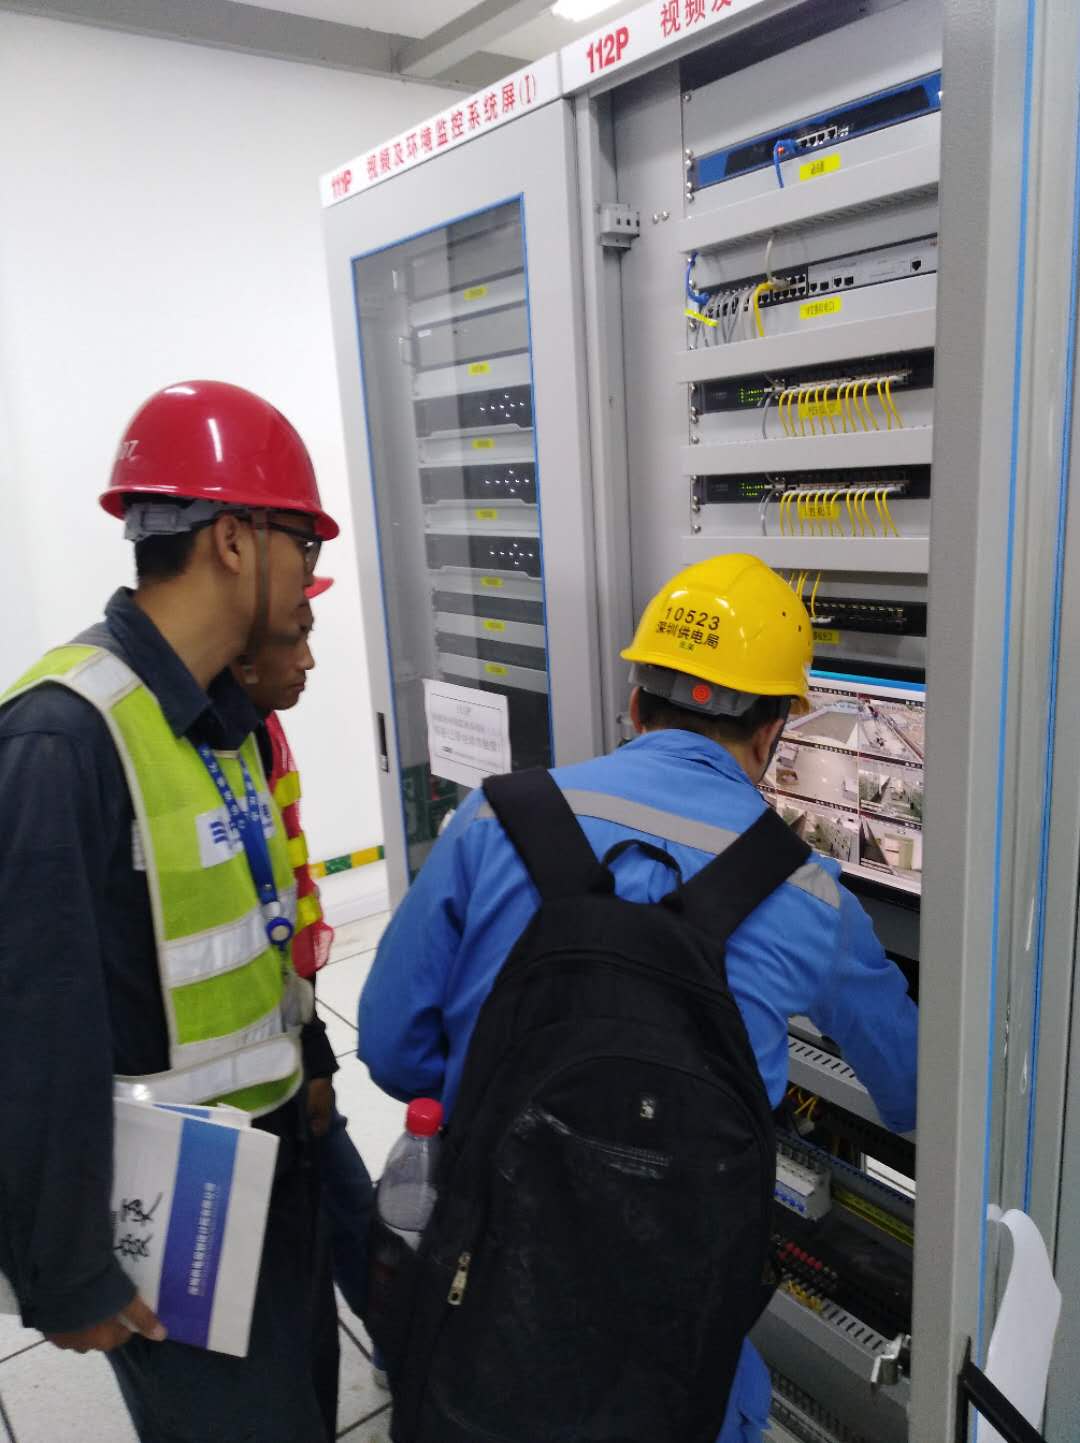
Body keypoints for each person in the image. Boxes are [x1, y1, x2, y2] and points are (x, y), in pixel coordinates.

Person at [358, 553, 918, 1443]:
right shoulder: (811, 896)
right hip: (676, 1355)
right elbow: (914, 1090)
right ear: (773, 733)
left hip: (490, 1310)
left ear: (633, 704)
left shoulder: (493, 819)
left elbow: (391, 1048)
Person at [0, 380, 342, 1442]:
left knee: (300, 1409)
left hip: (271, 1165)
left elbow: (257, 922)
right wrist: (65, 1269)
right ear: (233, 540)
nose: (309, 580)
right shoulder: (62, 738)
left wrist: (312, 1060)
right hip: (169, 1205)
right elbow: (30, 1024)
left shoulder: (217, 718)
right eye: (301, 545)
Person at [233, 576, 376, 1326]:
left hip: (284, 1033)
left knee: (344, 1202)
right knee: (341, 1205)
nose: (311, 658)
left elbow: (281, 904)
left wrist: (312, 1044)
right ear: (240, 651)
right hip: (247, 1070)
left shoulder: (254, 730)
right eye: (297, 634)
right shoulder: (213, 746)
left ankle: (400, 1340)